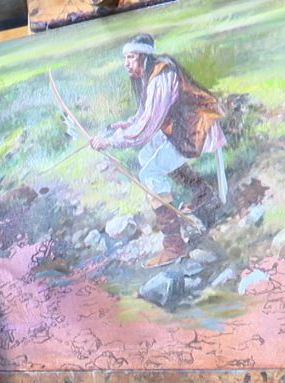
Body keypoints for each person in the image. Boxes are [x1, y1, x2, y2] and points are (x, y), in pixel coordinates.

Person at [92, 33, 227, 268]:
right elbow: (145, 114)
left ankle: (174, 246)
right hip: (183, 127)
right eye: (125, 58)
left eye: (131, 57)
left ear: (143, 57)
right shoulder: (151, 73)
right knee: (146, 156)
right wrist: (126, 125)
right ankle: (203, 193)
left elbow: (147, 126)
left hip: (196, 129)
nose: (126, 63)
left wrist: (111, 142)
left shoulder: (160, 77)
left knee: (149, 173)